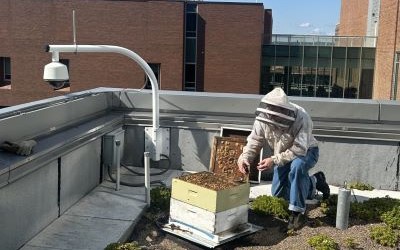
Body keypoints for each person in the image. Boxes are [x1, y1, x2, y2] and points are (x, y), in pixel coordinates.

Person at [237, 87, 330, 231]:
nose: (273, 116)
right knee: (278, 193)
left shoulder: (302, 117)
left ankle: (297, 212)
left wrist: (273, 160)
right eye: (271, 109)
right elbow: (255, 140)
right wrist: (245, 158)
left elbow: (299, 149)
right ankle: (315, 181)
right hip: (282, 155)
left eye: (276, 111)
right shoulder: (263, 118)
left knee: (297, 169)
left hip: (307, 151)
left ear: (284, 109)